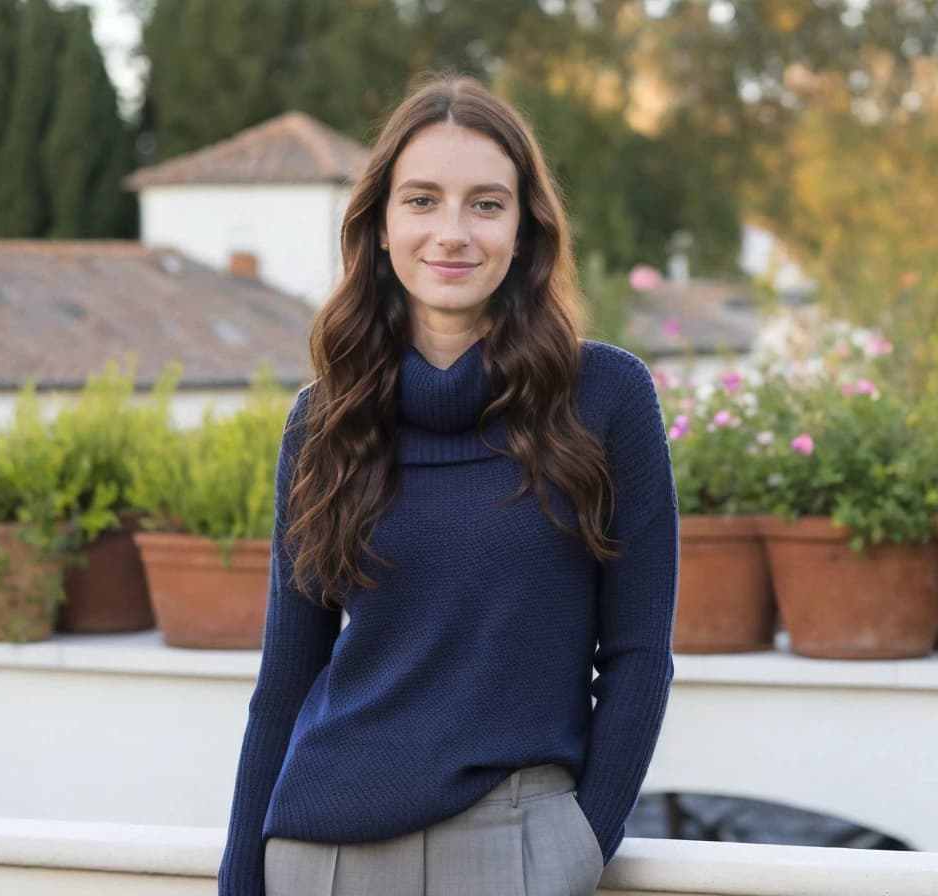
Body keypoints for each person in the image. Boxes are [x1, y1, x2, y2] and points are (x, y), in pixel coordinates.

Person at [218, 74, 679, 896]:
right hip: (319, 852)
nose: (453, 233)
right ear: (382, 227)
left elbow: (640, 654)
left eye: (487, 204)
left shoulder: (607, 397)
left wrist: (581, 841)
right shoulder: (324, 419)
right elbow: (285, 676)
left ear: (527, 229)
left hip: (515, 844)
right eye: (423, 201)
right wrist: (239, 882)